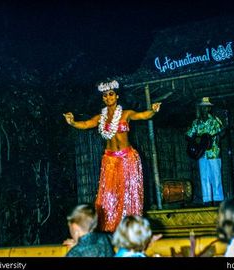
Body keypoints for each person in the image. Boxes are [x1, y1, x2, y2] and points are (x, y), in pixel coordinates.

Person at [63, 80, 161, 232]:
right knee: (109, 196)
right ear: (103, 99)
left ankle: (130, 229)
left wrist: (153, 111)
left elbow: (142, 115)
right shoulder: (100, 118)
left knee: (127, 195)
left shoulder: (126, 114)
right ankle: (109, 229)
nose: (108, 97)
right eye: (105, 95)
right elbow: (86, 124)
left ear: (116, 96)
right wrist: (72, 122)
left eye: (111, 94)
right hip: (109, 160)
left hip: (127, 158)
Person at [186, 97, 224, 206]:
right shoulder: (196, 122)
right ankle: (207, 199)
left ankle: (217, 200)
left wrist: (218, 136)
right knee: (204, 176)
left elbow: (222, 134)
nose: (204, 109)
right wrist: (195, 139)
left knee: (216, 176)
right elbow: (188, 135)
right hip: (201, 153)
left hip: (214, 152)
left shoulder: (215, 121)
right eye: (202, 107)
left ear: (209, 108)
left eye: (206, 107)